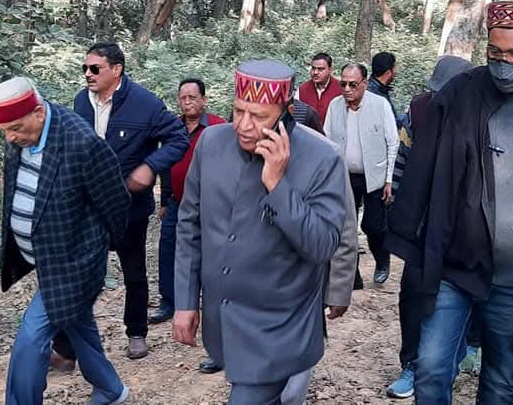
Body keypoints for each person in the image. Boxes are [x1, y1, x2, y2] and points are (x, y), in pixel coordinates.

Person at [386, 1, 513, 404]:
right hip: (454, 263)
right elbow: (426, 166)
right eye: (495, 53)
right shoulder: (461, 93)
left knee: (500, 376)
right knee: (431, 367)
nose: (505, 64)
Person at [173, 60, 348, 405]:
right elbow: (190, 225)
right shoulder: (211, 143)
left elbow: (322, 245)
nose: (244, 125)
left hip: (279, 327)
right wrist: (186, 300)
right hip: (223, 319)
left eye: (259, 116)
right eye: (239, 111)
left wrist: (278, 185)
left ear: (285, 111)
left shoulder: (322, 158)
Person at [0, 77, 131, 405]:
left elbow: (117, 203)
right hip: (44, 257)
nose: (10, 137)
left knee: (30, 340)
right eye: (5, 130)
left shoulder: (81, 143)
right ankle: (111, 388)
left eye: (15, 128)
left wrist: (93, 251)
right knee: (76, 321)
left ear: (39, 113)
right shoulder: (20, 133)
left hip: (74, 262)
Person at [51, 42, 189, 366]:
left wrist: (149, 168)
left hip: (129, 206)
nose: (88, 74)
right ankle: (67, 348)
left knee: (134, 273)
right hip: (89, 206)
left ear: (116, 70)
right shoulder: (81, 102)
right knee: (81, 274)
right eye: (84, 68)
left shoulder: (145, 104)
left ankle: (136, 332)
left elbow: (177, 138)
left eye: (94, 68)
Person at [386, 55, 472, 400]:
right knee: (413, 292)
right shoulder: (419, 109)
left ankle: (453, 354)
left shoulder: (479, 114)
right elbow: (403, 156)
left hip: (463, 227)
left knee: (460, 293)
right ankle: (411, 363)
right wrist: (396, 197)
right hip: (421, 223)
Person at [151, 79, 226, 327]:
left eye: (192, 97)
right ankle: (169, 302)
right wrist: (164, 199)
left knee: (211, 252)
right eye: (183, 98)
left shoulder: (218, 127)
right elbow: (165, 163)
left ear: (204, 99)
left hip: (211, 204)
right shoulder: (173, 127)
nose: (187, 102)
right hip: (177, 201)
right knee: (169, 249)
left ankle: (210, 300)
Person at [325, 63, 399, 287]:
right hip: (345, 176)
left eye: (352, 84)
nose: (347, 89)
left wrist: (389, 179)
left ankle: (382, 260)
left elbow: (393, 142)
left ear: (364, 84)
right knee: (346, 228)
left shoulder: (380, 104)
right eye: (343, 84)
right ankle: (352, 276)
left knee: (373, 226)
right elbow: (326, 141)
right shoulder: (335, 105)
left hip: (374, 176)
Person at [297, 52, 342, 125]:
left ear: (330, 70)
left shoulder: (341, 89)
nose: (315, 72)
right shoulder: (302, 89)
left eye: (320, 69)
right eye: (313, 68)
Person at [368, 51, 403, 126]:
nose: (396, 72)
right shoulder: (374, 95)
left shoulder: (377, 89)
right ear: (388, 73)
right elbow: (389, 123)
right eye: (394, 68)